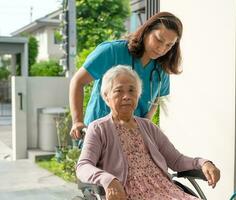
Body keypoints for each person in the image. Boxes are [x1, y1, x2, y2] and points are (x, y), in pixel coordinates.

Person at [76, 65, 221, 200]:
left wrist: (204, 163)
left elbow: (177, 161)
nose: (126, 96)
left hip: (167, 191)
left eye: (132, 90)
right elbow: (83, 166)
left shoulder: (148, 127)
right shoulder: (99, 128)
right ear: (106, 97)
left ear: (138, 96)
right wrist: (108, 180)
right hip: (128, 194)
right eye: (119, 91)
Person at [69, 11, 183, 139]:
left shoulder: (162, 68)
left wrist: (146, 124)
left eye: (169, 45)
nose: (161, 49)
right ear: (147, 30)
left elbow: (155, 98)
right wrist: (77, 120)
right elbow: (78, 81)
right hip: (100, 135)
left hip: (132, 139)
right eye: (158, 39)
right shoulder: (112, 51)